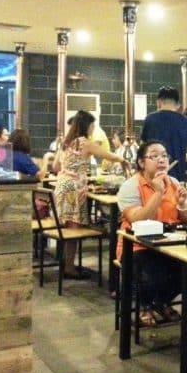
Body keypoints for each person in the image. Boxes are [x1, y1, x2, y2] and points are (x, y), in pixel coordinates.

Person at [116, 140, 187, 326]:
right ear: (141, 162)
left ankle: (160, 301)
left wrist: (182, 205)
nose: (161, 160)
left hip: (170, 245)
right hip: (136, 246)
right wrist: (158, 192)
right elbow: (138, 220)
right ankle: (145, 306)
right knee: (153, 273)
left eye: (164, 155)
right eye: (154, 156)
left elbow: (186, 221)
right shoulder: (131, 186)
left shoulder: (173, 182)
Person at [54, 110, 128, 278]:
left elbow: (56, 167)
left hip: (62, 184)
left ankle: (66, 263)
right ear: (86, 125)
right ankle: (69, 268)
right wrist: (123, 160)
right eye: (92, 125)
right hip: (74, 187)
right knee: (74, 228)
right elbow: (109, 155)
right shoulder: (84, 143)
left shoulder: (66, 142)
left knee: (67, 226)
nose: (93, 128)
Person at [141, 86, 187, 181]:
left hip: (153, 178)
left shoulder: (149, 120)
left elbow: (142, 152)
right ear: (177, 104)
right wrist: (180, 156)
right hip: (177, 180)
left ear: (158, 102)